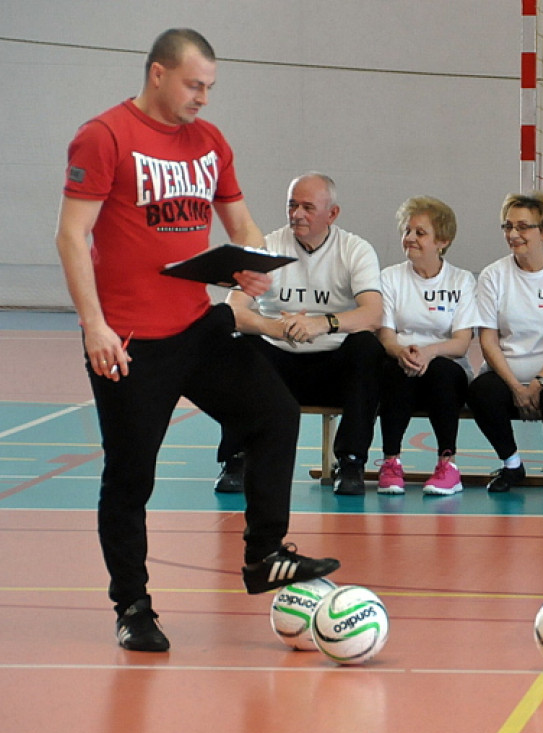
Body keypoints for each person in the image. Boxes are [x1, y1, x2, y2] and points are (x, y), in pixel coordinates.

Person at [55, 29, 339, 652]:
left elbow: (239, 222)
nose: (203, 98)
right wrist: (94, 324)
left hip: (197, 324)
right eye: (193, 84)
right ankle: (132, 606)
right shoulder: (103, 137)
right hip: (129, 340)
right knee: (130, 479)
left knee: (275, 416)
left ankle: (264, 554)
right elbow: (72, 236)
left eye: (210, 87)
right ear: (158, 74)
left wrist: (251, 265)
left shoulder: (209, 142)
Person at [214, 172, 384, 496]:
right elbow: (233, 310)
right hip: (278, 364)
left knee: (367, 348)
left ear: (332, 214)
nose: (297, 215)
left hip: (332, 363)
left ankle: (350, 462)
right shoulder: (267, 247)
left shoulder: (355, 250)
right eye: (292, 206)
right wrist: (271, 327)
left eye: (307, 207)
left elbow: (373, 313)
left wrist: (323, 324)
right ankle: (235, 459)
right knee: (238, 346)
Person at [467, 192, 543, 494]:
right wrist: (517, 387)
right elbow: (488, 340)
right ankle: (511, 464)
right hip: (507, 377)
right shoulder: (494, 276)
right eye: (507, 226)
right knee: (481, 392)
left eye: (522, 227)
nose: (513, 234)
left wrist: (538, 383)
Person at [376, 196, 477, 495]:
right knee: (393, 371)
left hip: (446, 367)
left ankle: (448, 465)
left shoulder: (461, 281)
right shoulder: (389, 278)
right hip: (403, 363)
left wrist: (429, 352)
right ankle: (391, 462)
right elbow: (385, 335)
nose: (409, 239)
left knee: (442, 372)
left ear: (442, 241)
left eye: (420, 233)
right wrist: (402, 353)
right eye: (407, 231)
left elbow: (460, 343)